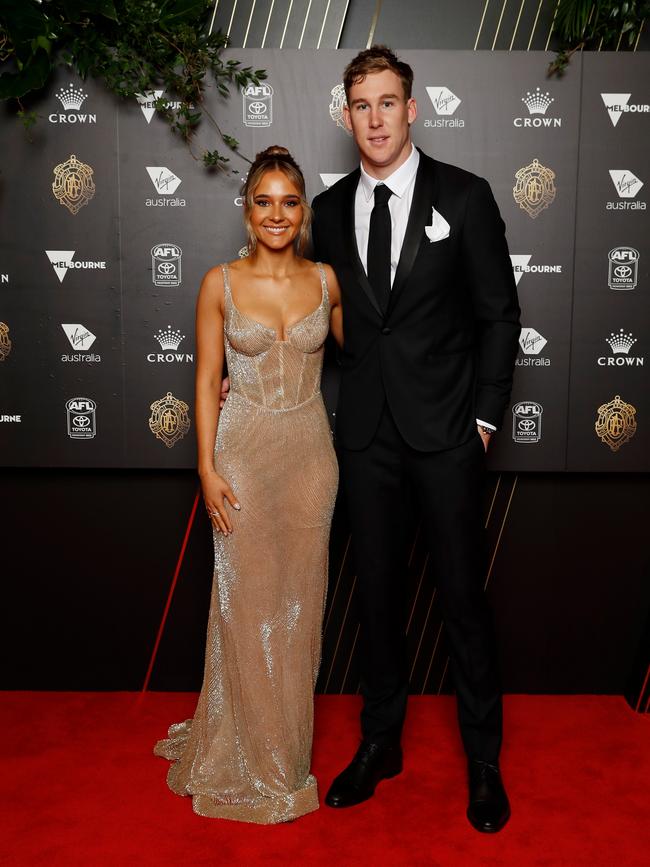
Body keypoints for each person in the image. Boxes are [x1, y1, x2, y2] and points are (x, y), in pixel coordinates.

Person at [311, 47, 521, 833]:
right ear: (346, 114)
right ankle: (380, 745)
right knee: (377, 600)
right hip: (366, 438)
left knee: (463, 601)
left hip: (445, 437)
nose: (374, 119)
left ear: (413, 107)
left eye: (387, 103)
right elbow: (300, 306)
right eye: (360, 105)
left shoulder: (464, 198)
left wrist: (485, 419)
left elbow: (501, 315)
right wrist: (237, 364)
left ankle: (484, 761)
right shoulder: (328, 211)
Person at [154, 146, 342, 824]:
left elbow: (380, 357)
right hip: (244, 459)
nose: (276, 214)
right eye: (264, 201)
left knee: (299, 615)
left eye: (289, 202)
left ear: (304, 211)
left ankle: (287, 757)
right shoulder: (219, 283)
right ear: (247, 208)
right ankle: (252, 758)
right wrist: (207, 467)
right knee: (246, 607)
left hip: (312, 460)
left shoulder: (327, 281)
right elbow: (206, 381)